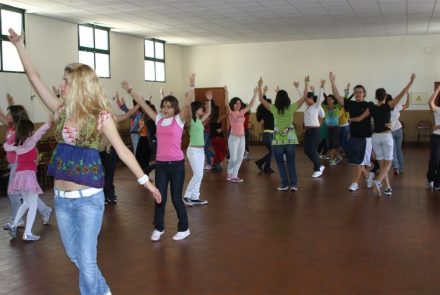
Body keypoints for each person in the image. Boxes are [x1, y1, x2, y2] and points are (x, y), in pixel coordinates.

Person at [9, 28, 161, 295]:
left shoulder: (101, 116)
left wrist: (145, 182)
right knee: (75, 257)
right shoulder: (60, 109)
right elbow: (34, 77)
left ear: (78, 85)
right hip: (62, 199)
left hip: (89, 198)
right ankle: (103, 291)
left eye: (66, 82)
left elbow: (123, 152)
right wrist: (19, 45)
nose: (61, 86)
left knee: (87, 261)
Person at [121, 74, 194, 242]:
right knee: (159, 196)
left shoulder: (179, 120)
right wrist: (130, 90)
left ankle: (184, 228)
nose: (165, 109)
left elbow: (188, 103)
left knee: (176, 198)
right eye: (163, 106)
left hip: (176, 165)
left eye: (169, 106)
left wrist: (191, 85)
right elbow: (142, 104)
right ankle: (159, 228)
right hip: (161, 165)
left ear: (174, 108)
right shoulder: (159, 119)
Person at [350, 74, 416, 196]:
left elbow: (359, 118)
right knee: (389, 163)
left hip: (375, 137)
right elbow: (401, 94)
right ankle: (378, 182)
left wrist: (350, 119)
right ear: (385, 97)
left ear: (376, 97)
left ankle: (387, 187)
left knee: (382, 164)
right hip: (386, 136)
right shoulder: (388, 105)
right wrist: (411, 82)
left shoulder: (372, 108)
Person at [0, 94, 53, 230]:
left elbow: (32, 144)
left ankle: (16, 220)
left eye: (9, 113)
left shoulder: (21, 129)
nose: (7, 116)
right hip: (13, 164)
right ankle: (45, 210)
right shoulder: (11, 127)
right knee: (27, 193)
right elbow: (2, 117)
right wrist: (10, 103)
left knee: (13, 192)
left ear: (15, 115)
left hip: (20, 165)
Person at [257, 77, 308, 191]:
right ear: (287, 98)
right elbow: (304, 97)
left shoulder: (274, 108)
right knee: (291, 163)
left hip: (278, 138)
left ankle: (284, 184)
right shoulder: (291, 108)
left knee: (280, 163)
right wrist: (306, 83)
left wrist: (260, 85)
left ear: (277, 99)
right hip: (290, 137)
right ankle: (293, 185)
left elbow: (260, 99)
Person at [329, 72, 375, 192]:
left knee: (359, 162)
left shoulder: (369, 105)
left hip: (365, 138)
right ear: (354, 94)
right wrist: (333, 82)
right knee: (356, 162)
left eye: (360, 92)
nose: (358, 93)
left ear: (364, 93)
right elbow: (337, 95)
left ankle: (355, 183)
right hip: (354, 136)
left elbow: (372, 116)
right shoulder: (351, 104)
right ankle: (368, 176)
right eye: (356, 92)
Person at [224, 82, 258, 182]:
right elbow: (226, 104)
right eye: (236, 103)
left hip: (242, 138)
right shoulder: (231, 113)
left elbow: (251, 104)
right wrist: (226, 93)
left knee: (240, 158)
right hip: (233, 138)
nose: (238, 105)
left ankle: (235, 175)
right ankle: (229, 172)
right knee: (233, 158)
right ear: (233, 104)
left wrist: (255, 93)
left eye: (239, 103)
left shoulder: (242, 112)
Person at [183, 91, 212, 206]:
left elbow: (208, 111)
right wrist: (188, 98)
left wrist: (208, 100)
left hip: (200, 151)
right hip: (193, 151)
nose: (202, 110)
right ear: (195, 110)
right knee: (198, 174)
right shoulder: (190, 121)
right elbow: (188, 110)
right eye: (200, 109)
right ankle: (186, 196)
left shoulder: (200, 121)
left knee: (200, 174)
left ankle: (195, 197)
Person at [302, 80, 326, 177]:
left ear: (311, 98)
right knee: (306, 151)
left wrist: (321, 87)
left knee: (312, 150)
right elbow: (302, 95)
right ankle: (319, 166)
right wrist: (299, 87)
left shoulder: (316, 105)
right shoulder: (307, 107)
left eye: (306, 99)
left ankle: (318, 168)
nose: (305, 101)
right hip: (308, 131)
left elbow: (319, 98)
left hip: (314, 131)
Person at [255, 86, 275, 173]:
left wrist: (264, 92)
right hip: (269, 135)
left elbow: (263, 101)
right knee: (273, 152)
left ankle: (266, 166)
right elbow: (264, 101)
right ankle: (261, 162)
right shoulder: (270, 111)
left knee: (272, 152)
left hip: (268, 134)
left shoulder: (262, 111)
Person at [390, 92, 410, 175]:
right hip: (393, 131)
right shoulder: (393, 106)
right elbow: (406, 106)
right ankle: (398, 167)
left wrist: (408, 96)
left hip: (397, 130)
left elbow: (406, 105)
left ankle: (398, 167)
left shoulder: (388, 107)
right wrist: (408, 96)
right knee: (395, 149)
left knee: (396, 149)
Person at [322, 94, 343, 166]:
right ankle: (337, 156)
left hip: (335, 128)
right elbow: (319, 103)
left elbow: (343, 101)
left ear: (334, 100)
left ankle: (332, 160)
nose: (329, 101)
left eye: (330, 99)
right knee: (329, 145)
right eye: (327, 99)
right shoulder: (325, 107)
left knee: (334, 145)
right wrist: (314, 91)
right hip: (328, 128)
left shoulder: (337, 107)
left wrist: (346, 91)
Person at [426, 85, 440, 190]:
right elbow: (430, 102)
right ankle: (430, 178)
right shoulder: (437, 109)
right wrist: (438, 89)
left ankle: (437, 183)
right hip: (436, 137)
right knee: (434, 160)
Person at [210, 105, 228, 172]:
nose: (220, 111)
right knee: (224, 151)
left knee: (217, 153)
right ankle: (217, 163)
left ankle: (214, 165)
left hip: (213, 139)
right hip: (219, 138)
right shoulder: (219, 118)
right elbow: (228, 114)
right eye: (219, 110)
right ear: (217, 111)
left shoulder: (210, 118)